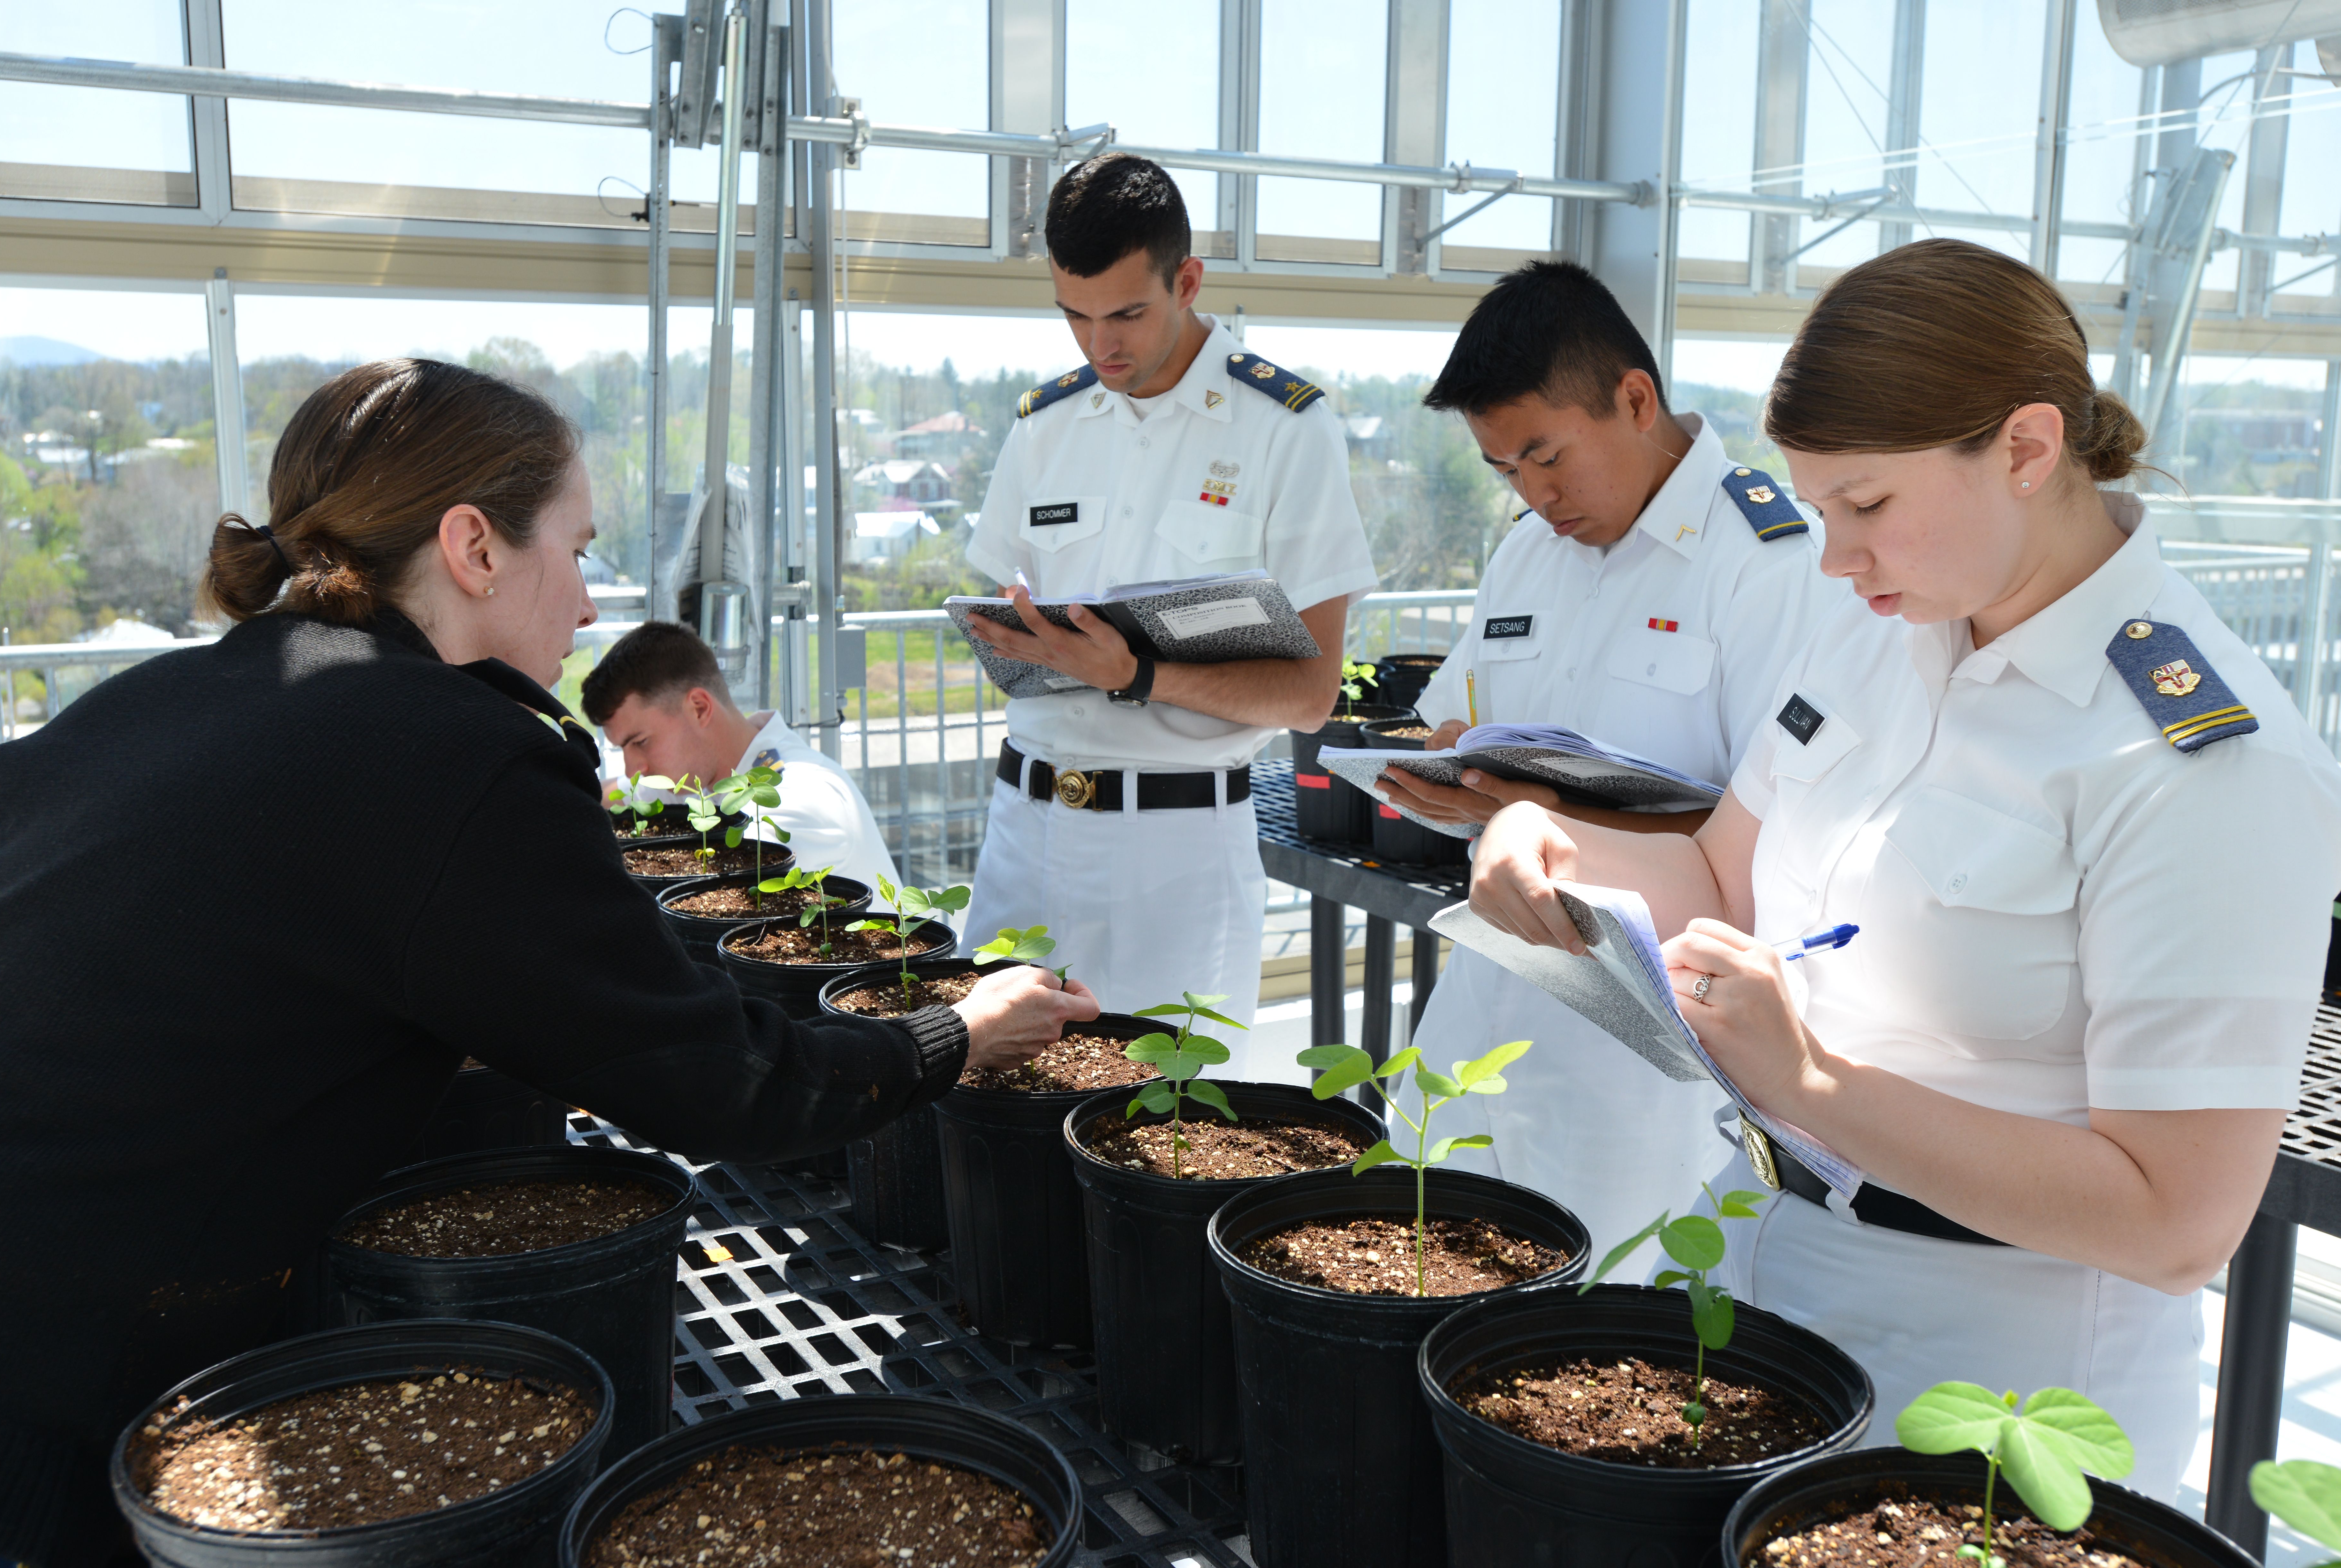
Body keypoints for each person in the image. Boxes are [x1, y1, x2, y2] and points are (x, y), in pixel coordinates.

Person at [0, 358, 1096, 1568]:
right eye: (575, 550)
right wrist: (956, 1032)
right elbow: (716, 1082)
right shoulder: (448, 754)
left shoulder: (164, 692)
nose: (583, 607)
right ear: (474, 546)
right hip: (57, 1353)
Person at [1465, 237, 2341, 1495]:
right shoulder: (1879, 632)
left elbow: (2174, 1219)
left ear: (2027, 451)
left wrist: (1813, 1082)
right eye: (1819, 509)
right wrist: (1544, 842)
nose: (1834, 555)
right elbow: (1720, 881)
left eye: (1865, 506)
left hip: (1995, 1373)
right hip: (1764, 1268)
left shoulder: (2195, 757)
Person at [1372, 260, 1849, 1254]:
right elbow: (1462, 718)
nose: (1534, 493)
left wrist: (1564, 817)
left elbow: (1787, 835)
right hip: (1486, 988)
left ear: (1634, 399)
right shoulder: (1526, 553)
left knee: (1597, 1333)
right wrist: (1449, 771)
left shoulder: (1769, 562)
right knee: (1421, 1268)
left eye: (1545, 455)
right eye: (1504, 470)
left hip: (1637, 1038)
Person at [957, 152, 1378, 1033]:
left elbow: (1309, 696)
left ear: (1187, 280)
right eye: (1074, 317)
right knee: (985, 1119)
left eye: (1127, 314)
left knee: (1164, 1144)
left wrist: (1135, 674)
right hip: (1023, 833)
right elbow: (1009, 590)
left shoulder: (1286, 431)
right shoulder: (1047, 425)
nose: (1100, 345)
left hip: (1173, 861)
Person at [582, 619, 900, 895]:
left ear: (700, 709)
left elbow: (710, 892)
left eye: (640, 742)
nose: (633, 767)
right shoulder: (694, 776)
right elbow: (609, 793)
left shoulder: (801, 796)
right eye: (622, 748)